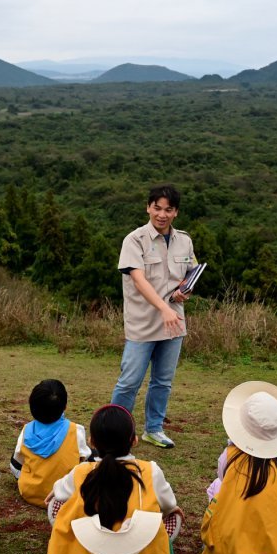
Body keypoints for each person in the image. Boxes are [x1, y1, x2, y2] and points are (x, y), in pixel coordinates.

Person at [42, 404, 182, 554]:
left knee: (59, 504)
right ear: (134, 440)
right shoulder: (151, 470)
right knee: (172, 513)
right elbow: (169, 505)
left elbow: (59, 493)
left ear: (91, 441)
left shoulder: (81, 471)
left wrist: (57, 491)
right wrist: (172, 510)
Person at [111, 183, 197, 449]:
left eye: (168, 210)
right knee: (129, 382)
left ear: (176, 212)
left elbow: (190, 275)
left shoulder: (184, 240)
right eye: (157, 208)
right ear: (148, 208)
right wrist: (164, 308)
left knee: (162, 382)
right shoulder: (134, 240)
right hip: (143, 323)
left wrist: (185, 292)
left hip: (174, 322)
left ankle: (154, 429)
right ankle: (114, 433)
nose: (162, 214)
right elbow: (139, 280)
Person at [200, 381, 277, 554]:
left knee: (218, 485)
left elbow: (223, 479)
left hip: (235, 550)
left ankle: (227, 547)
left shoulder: (230, 455)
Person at [10, 379, 91, 507]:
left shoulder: (26, 431)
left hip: (30, 493)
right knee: (90, 456)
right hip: (64, 495)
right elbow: (84, 461)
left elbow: (16, 464)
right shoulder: (76, 430)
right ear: (65, 406)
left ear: (32, 407)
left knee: (18, 455)